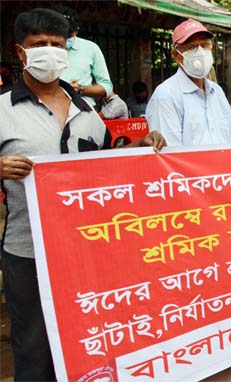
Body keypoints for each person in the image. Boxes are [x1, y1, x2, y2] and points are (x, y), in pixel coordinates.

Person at [0, 9, 165, 381]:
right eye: (38, 45)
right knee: (33, 348)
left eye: (57, 45)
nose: (49, 52)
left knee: (88, 340)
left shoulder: (87, 111)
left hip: (87, 250)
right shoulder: (2, 109)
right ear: (20, 52)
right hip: (28, 254)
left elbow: (101, 167)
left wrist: (139, 146)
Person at [146, 19, 231, 146]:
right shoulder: (166, 96)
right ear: (176, 55)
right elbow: (170, 156)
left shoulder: (216, 92)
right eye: (191, 47)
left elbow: (230, 139)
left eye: (205, 45)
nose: (200, 52)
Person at [51, 4, 113, 107]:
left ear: (76, 31)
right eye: (59, 35)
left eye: (68, 35)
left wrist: (80, 89)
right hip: (49, 111)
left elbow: (106, 86)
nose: (63, 40)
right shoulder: (44, 50)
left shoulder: (91, 48)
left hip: (82, 111)